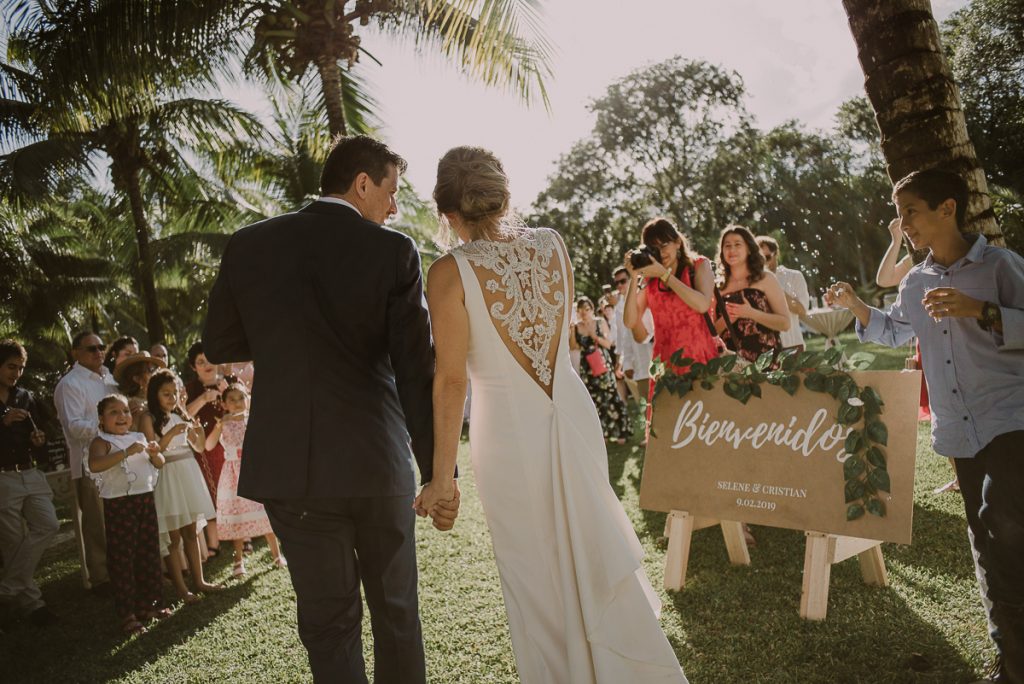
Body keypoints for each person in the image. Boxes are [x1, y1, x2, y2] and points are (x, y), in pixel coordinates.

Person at [416, 145, 687, 683]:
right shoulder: (552, 244)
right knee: (586, 546)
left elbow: (450, 380)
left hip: (509, 436)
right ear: (504, 194)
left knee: (535, 576)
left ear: (446, 211)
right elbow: (556, 338)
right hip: (568, 409)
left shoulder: (448, 272)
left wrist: (442, 478)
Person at [202, 134, 457, 684]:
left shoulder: (248, 244)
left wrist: (285, 343)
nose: (394, 207)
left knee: (327, 621)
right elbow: (416, 370)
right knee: (397, 612)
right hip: (377, 462)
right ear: (362, 184)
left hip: (292, 470)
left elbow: (220, 341)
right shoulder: (392, 251)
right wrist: (440, 472)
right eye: (390, 192)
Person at [826, 168, 1024, 684]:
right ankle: (1011, 659)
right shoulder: (915, 282)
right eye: (900, 211)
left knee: (1004, 522)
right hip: (957, 430)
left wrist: (981, 309)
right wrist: (855, 306)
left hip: (1011, 418)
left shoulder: (999, 266)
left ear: (948, 208)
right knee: (985, 539)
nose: (902, 222)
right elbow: (894, 332)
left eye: (910, 209)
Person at [86, 394, 168, 635]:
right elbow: (94, 465)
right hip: (119, 503)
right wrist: (126, 452)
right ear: (101, 419)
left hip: (144, 499)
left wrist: (154, 453)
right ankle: (128, 613)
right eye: (114, 412)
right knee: (123, 557)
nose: (122, 416)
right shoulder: (101, 442)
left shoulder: (139, 436)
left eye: (125, 411)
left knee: (148, 551)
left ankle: (151, 604)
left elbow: (160, 463)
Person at [140, 369, 220, 602]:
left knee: (192, 531)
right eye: (166, 394)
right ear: (154, 394)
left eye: (175, 393)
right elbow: (152, 450)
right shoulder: (148, 417)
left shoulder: (181, 413)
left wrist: (199, 432)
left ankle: (200, 581)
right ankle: (181, 589)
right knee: (173, 537)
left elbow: (199, 447)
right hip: (167, 474)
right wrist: (172, 433)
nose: (172, 398)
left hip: (188, 472)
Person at [0, 340, 60, 628]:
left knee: (49, 524)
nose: (17, 373)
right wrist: (2, 421)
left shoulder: (26, 396)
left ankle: (8, 589)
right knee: (12, 541)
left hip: (30, 472)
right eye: (11, 366)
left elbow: (42, 436)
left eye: (21, 368)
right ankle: (33, 605)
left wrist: (39, 443)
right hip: (3, 478)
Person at [54, 331, 119, 589]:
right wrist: (107, 423)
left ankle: (121, 571)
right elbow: (73, 427)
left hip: (117, 458)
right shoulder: (70, 384)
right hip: (88, 462)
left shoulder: (110, 379)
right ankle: (102, 578)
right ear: (75, 353)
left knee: (116, 520)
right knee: (97, 523)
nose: (98, 352)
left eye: (101, 347)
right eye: (91, 348)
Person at [204, 383, 284, 576]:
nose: (238, 403)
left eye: (241, 398)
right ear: (224, 404)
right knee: (237, 514)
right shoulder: (223, 423)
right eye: (232, 399)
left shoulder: (254, 419)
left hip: (254, 470)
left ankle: (277, 554)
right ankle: (238, 559)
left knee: (263, 510)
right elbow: (208, 445)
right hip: (232, 474)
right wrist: (220, 424)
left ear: (248, 399)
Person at [623, 217, 718, 377]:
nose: (660, 252)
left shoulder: (699, 266)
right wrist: (634, 277)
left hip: (701, 360)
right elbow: (630, 321)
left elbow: (702, 304)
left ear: (677, 242)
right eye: (654, 247)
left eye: (664, 244)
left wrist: (664, 275)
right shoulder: (650, 280)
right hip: (666, 368)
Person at [714, 225, 791, 363]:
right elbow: (711, 334)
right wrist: (727, 318)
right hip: (731, 367)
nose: (732, 250)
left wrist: (750, 313)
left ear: (749, 248)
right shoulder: (717, 288)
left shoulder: (766, 279)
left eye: (738, 244)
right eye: (727, 245)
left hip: (766, 363)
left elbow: (785, 324)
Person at [183, 342, 227, 557]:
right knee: (210, 492)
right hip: (204, 449)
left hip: (230, 446)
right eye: (200, 362)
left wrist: (226, 393)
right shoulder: (190, 389)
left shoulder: (230, 383)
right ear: (194, 367)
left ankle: (243, 535)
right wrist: (203, 399)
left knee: (234, 487)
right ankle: (214, 540)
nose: (206, 364)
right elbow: (183, 416)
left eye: (209, 359)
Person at [570, 297, 633, 443]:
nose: (584, 313)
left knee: (611, 395)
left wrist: (594, 336)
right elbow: (574, 347)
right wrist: (572, 331)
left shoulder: (600, 322)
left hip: (602, 363)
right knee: (595, 400)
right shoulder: (577, 326)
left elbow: (608, 344)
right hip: (587, 367)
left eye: (587, 309)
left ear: (592, 309)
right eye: (580, 310)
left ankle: (622, 432)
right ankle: (603, 433)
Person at [756, 235, 810, 351]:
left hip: (792, 344)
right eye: (758, 258)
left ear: (776, 254)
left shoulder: (794, 276)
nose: (763, 263)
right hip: (763, 348)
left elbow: (802, 310)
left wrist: (774, 288)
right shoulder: (751, 281)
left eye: (766, 257)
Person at [113, 353, 165, 431]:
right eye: (150, 370)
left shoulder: (161, 398)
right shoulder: (133, 406)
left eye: (155, 368)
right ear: (137, 379)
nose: (156, 373)